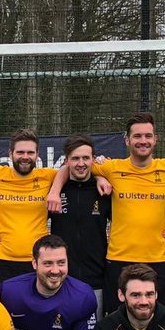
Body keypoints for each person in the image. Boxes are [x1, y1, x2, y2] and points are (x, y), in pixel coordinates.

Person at [48, 112, 165, 315]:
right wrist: (56, 191)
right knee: (117, 320)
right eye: (137, 136)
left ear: (155, 139)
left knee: (158, 320)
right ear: (127, 140)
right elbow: (69, 166)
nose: (143, 141)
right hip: (119, 259)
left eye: (148, 136)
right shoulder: (111, 167)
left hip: (157, 261)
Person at [0, 129, 60, 285]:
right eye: (20, 152)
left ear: (37, 155)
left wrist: (55, 190)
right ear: (10, 154)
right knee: (4, 308)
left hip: (38, 260)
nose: (25, 157)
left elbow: (70, 169)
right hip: (3, 260)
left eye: (30, 152)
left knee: (37, 308)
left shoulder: (47, 175)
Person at [48, 134, 110, 315]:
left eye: (85, 158)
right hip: (60, 279)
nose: (81, 163)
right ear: (66, 161)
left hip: (96, 280)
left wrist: (100, 177)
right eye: (75, 158)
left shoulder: (104, 190)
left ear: (93, 159)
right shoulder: (55, 189)